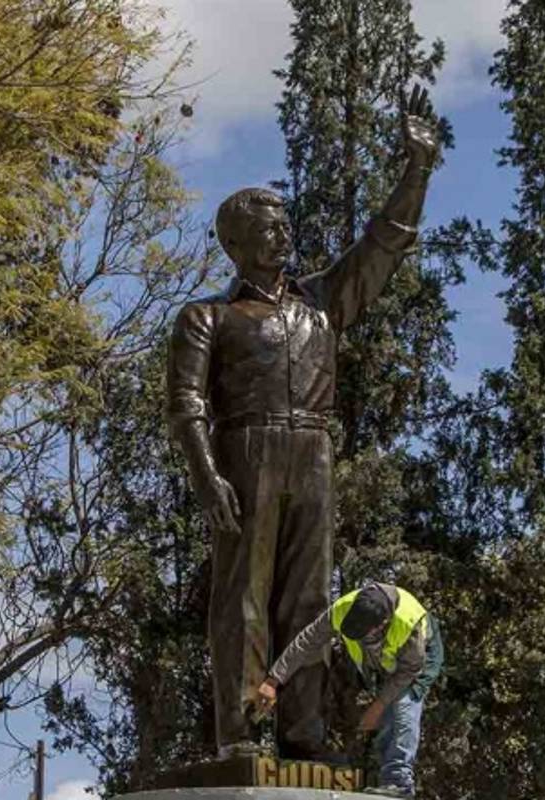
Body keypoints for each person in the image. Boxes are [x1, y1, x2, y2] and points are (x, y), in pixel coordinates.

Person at [165, 86, 439, 761]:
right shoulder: (207, 318)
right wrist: (206, 474)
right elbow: (186, 404)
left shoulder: (320, 303)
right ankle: (242, 735)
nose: (283, 233)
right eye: (267, 225)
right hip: (244, 450)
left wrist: (418, 170)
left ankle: (304, 738)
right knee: (244, 601)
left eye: (286, 223)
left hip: (312, 451)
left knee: (311, 602)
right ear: (235, 241)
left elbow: (382, 248)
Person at [256, 583, 445, 798]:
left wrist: (378, 705)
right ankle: (384, 779)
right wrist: (273, 680)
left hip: (419, 660)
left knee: (403, 706)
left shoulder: (408, 624)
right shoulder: (343, 609)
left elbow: (407, 672)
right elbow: (307, 641)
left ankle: (399, 782)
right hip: (384, 661)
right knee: (386, 718)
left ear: (381, 624)